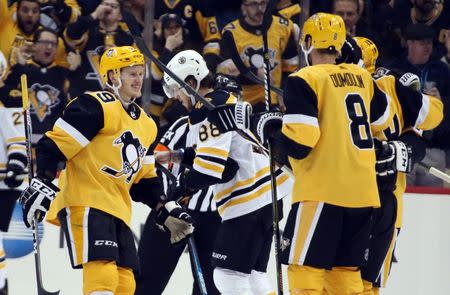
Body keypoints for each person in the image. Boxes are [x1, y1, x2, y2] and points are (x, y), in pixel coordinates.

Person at [18, 46, 194, 295]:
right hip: (86, 200)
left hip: (118, 209)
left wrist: (163, 207)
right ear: (113, 77)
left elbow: (143, 179)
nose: (138, 79)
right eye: (131, 73)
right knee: (103, 274)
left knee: (125, 283)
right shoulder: (95, 105)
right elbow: (54, 145)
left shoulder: (147, 124)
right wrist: (43, 180)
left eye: (140, 73)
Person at [253, 13, 392, 294]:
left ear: (307, 42)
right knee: (345, 277)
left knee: (305, 273)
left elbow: (302, 143)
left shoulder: (304, 78)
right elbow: (383, 119)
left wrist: (273, 132)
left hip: (322, 193)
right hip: (363, 197)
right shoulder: (363, 77)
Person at [162, 49, 292, 294]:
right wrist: (179, 155)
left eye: (176, 89)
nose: (176, 98)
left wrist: (177, 192)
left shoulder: (206, 110)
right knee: (254, 277)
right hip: (270, 194)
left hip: (247, 200)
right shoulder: (224, 100)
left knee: (227, 277)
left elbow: (210, 169)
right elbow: (227, 158)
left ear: (191, 82)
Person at [350, 36, 443, 295]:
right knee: (360, 283)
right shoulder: (387, 82)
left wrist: (406, 147)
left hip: (377, 202)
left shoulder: (387, 84)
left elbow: (427, 126)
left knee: (360, 283)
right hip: (365, 202)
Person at [135, 75, 240, 295]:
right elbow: (158, 162)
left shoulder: (240, 135)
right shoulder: (186, 124)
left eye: (236, 99)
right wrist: (167, 202)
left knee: (212, 288)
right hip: (175, 211)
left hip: (216, 218)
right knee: (147, 280)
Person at [390, 23, 450, 186]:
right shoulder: (395, 69)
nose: (427, 47)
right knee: (401, 192)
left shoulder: (442, 70)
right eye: (422, 43)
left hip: (434, 147)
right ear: (410, 43)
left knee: (435, 201)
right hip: (405, 144)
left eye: (430, 43)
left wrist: (441, 101)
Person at [0, 28, 77, 145]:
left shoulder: (63, 74)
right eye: (45, 42)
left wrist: (77, 72)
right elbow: (7, 99)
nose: (49, 47)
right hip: (22, 141)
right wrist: (18, 67)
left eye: (53, 44)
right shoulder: (21, 70)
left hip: (53, 144)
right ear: (34, 45)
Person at [218, 0, 298, 112]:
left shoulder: (284, 27)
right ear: (243, 7)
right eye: (254, 4)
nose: (260, 9)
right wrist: (255, 74)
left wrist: (285, 94)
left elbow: (291, 67)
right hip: (241, 104)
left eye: (263, 3)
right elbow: (224, 73)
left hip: (274, 102)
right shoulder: (230, 32)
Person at [64, 0, 135, 97]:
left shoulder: (128, 40)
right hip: (85, 97)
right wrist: (94, 15)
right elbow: (71, 33)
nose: (108, 8)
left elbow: (135, 69)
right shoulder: (88, 32)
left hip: (114, 101)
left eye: (113, 6)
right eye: (105, 5)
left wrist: (121, 57)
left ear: (120, 16)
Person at [0, 52, 28, 295]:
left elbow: (17, 141)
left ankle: (1, 284)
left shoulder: (5, 104)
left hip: (3, 185)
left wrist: (16, 166)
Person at [0, 0, 70, 68]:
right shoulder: (4, 25)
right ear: (17, 11)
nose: (30, 15)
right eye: (25, 10)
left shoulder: (53, 42)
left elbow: (62, 73)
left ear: (40, 14)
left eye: (35, 11)